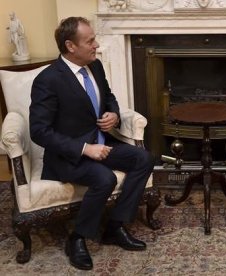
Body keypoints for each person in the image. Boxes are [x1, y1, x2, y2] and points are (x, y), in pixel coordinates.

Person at [29, 17, 154, 271]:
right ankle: (77, 238)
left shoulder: (94, 67)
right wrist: (85, 149)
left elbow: (108, 97)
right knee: (104, 178)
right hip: (69, 157)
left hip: (101, 144)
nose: (96, 45)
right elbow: (39, 132)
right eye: (90, 41)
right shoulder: (48, 80)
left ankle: (115, 226)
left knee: (144, 158)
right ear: (70, 46)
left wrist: (114, 114)